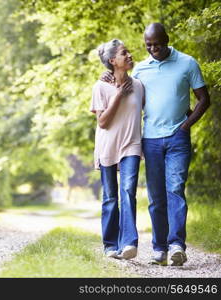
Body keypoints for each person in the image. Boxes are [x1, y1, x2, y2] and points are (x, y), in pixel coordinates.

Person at [102, 23, 211, 266]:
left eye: (157, 44)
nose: (153, 49)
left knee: (175, 188)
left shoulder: (187, 63)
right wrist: (107, 75)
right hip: (150, 139)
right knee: (155, 196)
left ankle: (176, 246)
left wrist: (186, 125)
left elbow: (204, 99)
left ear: (167, 39)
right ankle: (159, 248)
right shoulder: (141, 69)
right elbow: (123, 87)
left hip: (177, 138)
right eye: (148, 45)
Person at [90, 39, 144, 260]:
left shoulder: (139, 86)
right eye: (124, 53)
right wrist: (118, 95)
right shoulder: (100, 86)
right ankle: (110, 245)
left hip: (131, 144)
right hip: (108, 147)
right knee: (111, 197)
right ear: (113, 61)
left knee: (128, 191)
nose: (130, 55)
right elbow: (103, 122)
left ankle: (129, 243)